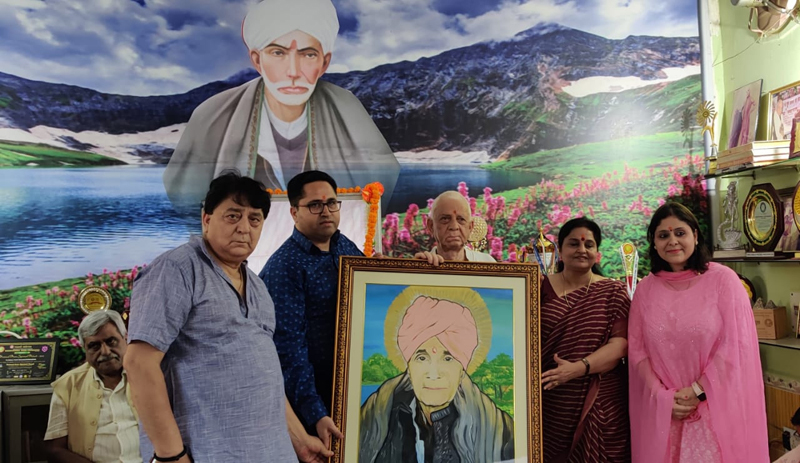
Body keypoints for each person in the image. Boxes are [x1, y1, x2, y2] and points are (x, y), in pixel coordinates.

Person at [125, 172, 330, 463]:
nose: (244, 228)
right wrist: (171, 456)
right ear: (206, 219)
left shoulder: (257, 285)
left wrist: (299, 440)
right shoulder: (178, 269)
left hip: (272, 452)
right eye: (233, 216)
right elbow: (139, 363)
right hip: (207, 452)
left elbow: (264, 375)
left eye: (254, 219)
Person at [163, 0, 400, 217]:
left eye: (308, 54)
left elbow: (379, 184)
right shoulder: (213, 114)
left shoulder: (348, 109)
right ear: (257, 60)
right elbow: (185, 195)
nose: (293, 71)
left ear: (324, 62)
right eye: (278, 53)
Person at [628, 202, 769, 463]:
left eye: (680, 233)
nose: (673, 241)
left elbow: (736, 345)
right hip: (666, 413)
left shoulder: (723, 281)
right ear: (654, 243)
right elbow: (637, 352)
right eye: (663, 235)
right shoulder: (645, 290)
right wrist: (663, 398)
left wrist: (697, 390)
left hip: (713, 408)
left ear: (695, 234)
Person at [260, 170, 360, 445]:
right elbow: (289, 350)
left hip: (353, 392)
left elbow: (373, 289)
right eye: (315, 205)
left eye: (331, 203)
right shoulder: (285, 267)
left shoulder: (344, 246)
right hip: (313, 409)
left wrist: (419, 268)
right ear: (294, 212)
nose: (325, 211)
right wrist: (315, 413)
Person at [359, 286, 514, 463]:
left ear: (462, 369)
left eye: (448, 358)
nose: (433, 374)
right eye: (422, 357)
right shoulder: (377, 416)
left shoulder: (500, 429)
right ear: (408, 365)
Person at [539, 217, 630, 462]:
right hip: (550, 403)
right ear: (559, 250)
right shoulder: (537, 288)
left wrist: (578, 368)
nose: (582, 250)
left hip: (599, 405)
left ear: (597, 252)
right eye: (573, 244)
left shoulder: (613, 291)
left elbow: (620, 344)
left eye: (589, 245)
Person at [44, 310, 140, 463]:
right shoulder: (67, 385)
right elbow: (55, 449)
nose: (105, 352)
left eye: (111, 341)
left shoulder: (147, 375)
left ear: (126, 339)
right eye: (94, 346)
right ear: (85, 350)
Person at [415, 190, 495, 265]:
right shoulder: (421, 265)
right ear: (431, 226)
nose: (454, 226)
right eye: (445, 219)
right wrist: (414, 271)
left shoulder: (487, 263)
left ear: (470, 227)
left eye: (461, 219)